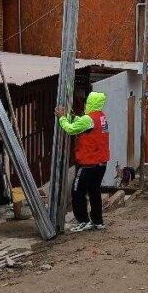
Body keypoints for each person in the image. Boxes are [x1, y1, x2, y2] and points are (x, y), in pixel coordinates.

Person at [55, 91, 110, 232]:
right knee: (94, 192)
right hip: (101, 163)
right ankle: (98, 222)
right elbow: (82, 124)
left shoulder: (88, 119)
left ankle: (83, 221)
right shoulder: (101, 117)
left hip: (89, 164)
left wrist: (62, 118)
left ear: (90, 103)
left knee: (77, 191)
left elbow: (71, 129)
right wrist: (69, 117)